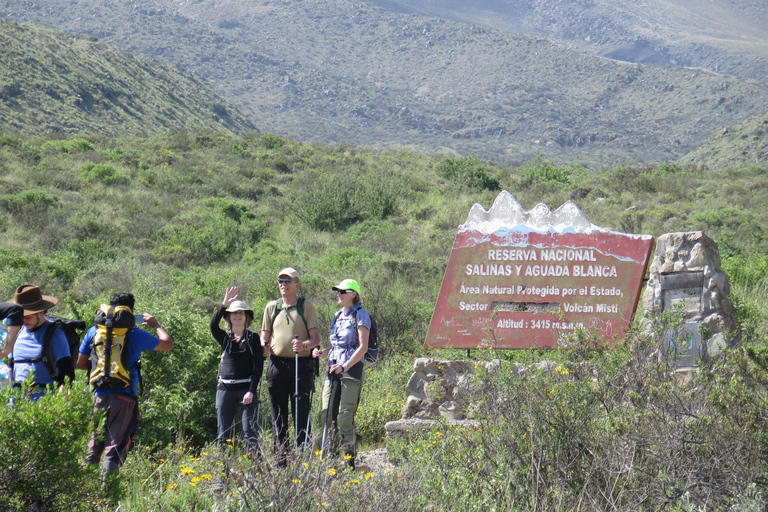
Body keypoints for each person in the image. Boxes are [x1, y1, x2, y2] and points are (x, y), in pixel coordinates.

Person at [75, 292, 173, 476]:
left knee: (93, 449)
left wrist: (101, 366)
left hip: (98, 396)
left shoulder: (94, 331)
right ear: (130, 311)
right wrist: (156, 325)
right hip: (123, 398)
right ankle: (106, 497)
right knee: (113, 450)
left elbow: (79, 364)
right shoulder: (135, 333)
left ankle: (85, 492)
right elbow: (168, 344)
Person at [260, 267, 319, 463]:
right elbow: (265, 334)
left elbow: (315, 339)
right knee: (278, 414)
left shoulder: (306, 306)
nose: (283, 285)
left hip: (300, 364)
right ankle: (281, 459)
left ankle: (303, 456)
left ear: (297, 284)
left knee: (300, 412)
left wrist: (303, 345)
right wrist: (263, 346)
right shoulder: (272, 307)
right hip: (276, 365)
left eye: (287, 281)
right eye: (280, 281)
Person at [312, 279, 370, 469]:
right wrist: (322, 352)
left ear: (353, 294)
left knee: (345, 416)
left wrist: (344, 366)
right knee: (326, 415)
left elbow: (362, 347)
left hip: (351, 371)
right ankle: (330, 458)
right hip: (332, 369)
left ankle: (349, 462)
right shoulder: (337, 316)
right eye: (338, 291)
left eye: (343, 291)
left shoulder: (361, 315)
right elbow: (336, 345)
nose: (339, 294)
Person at [210, 286, 266, 458]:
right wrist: (223, 304)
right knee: (223, 435)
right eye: (234, 313)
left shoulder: (253, 338)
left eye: (241, 312)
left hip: (246, 392)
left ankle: (254, 475)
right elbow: (213, 325)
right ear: (229, 316)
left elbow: (258, 367)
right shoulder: (225, 338)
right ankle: (222, 477)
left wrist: (251, 390)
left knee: (250, 434)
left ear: (246, 317)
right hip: (224, 389)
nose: (237, 315)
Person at [6, 285, 74, 400]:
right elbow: (10, 368)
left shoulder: (55, 335)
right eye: (19, 317)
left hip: (43, 406)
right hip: (16, 405)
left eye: (27, 317)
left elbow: (67, 376)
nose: (23, 321)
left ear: (41, 312)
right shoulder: (16, 333)